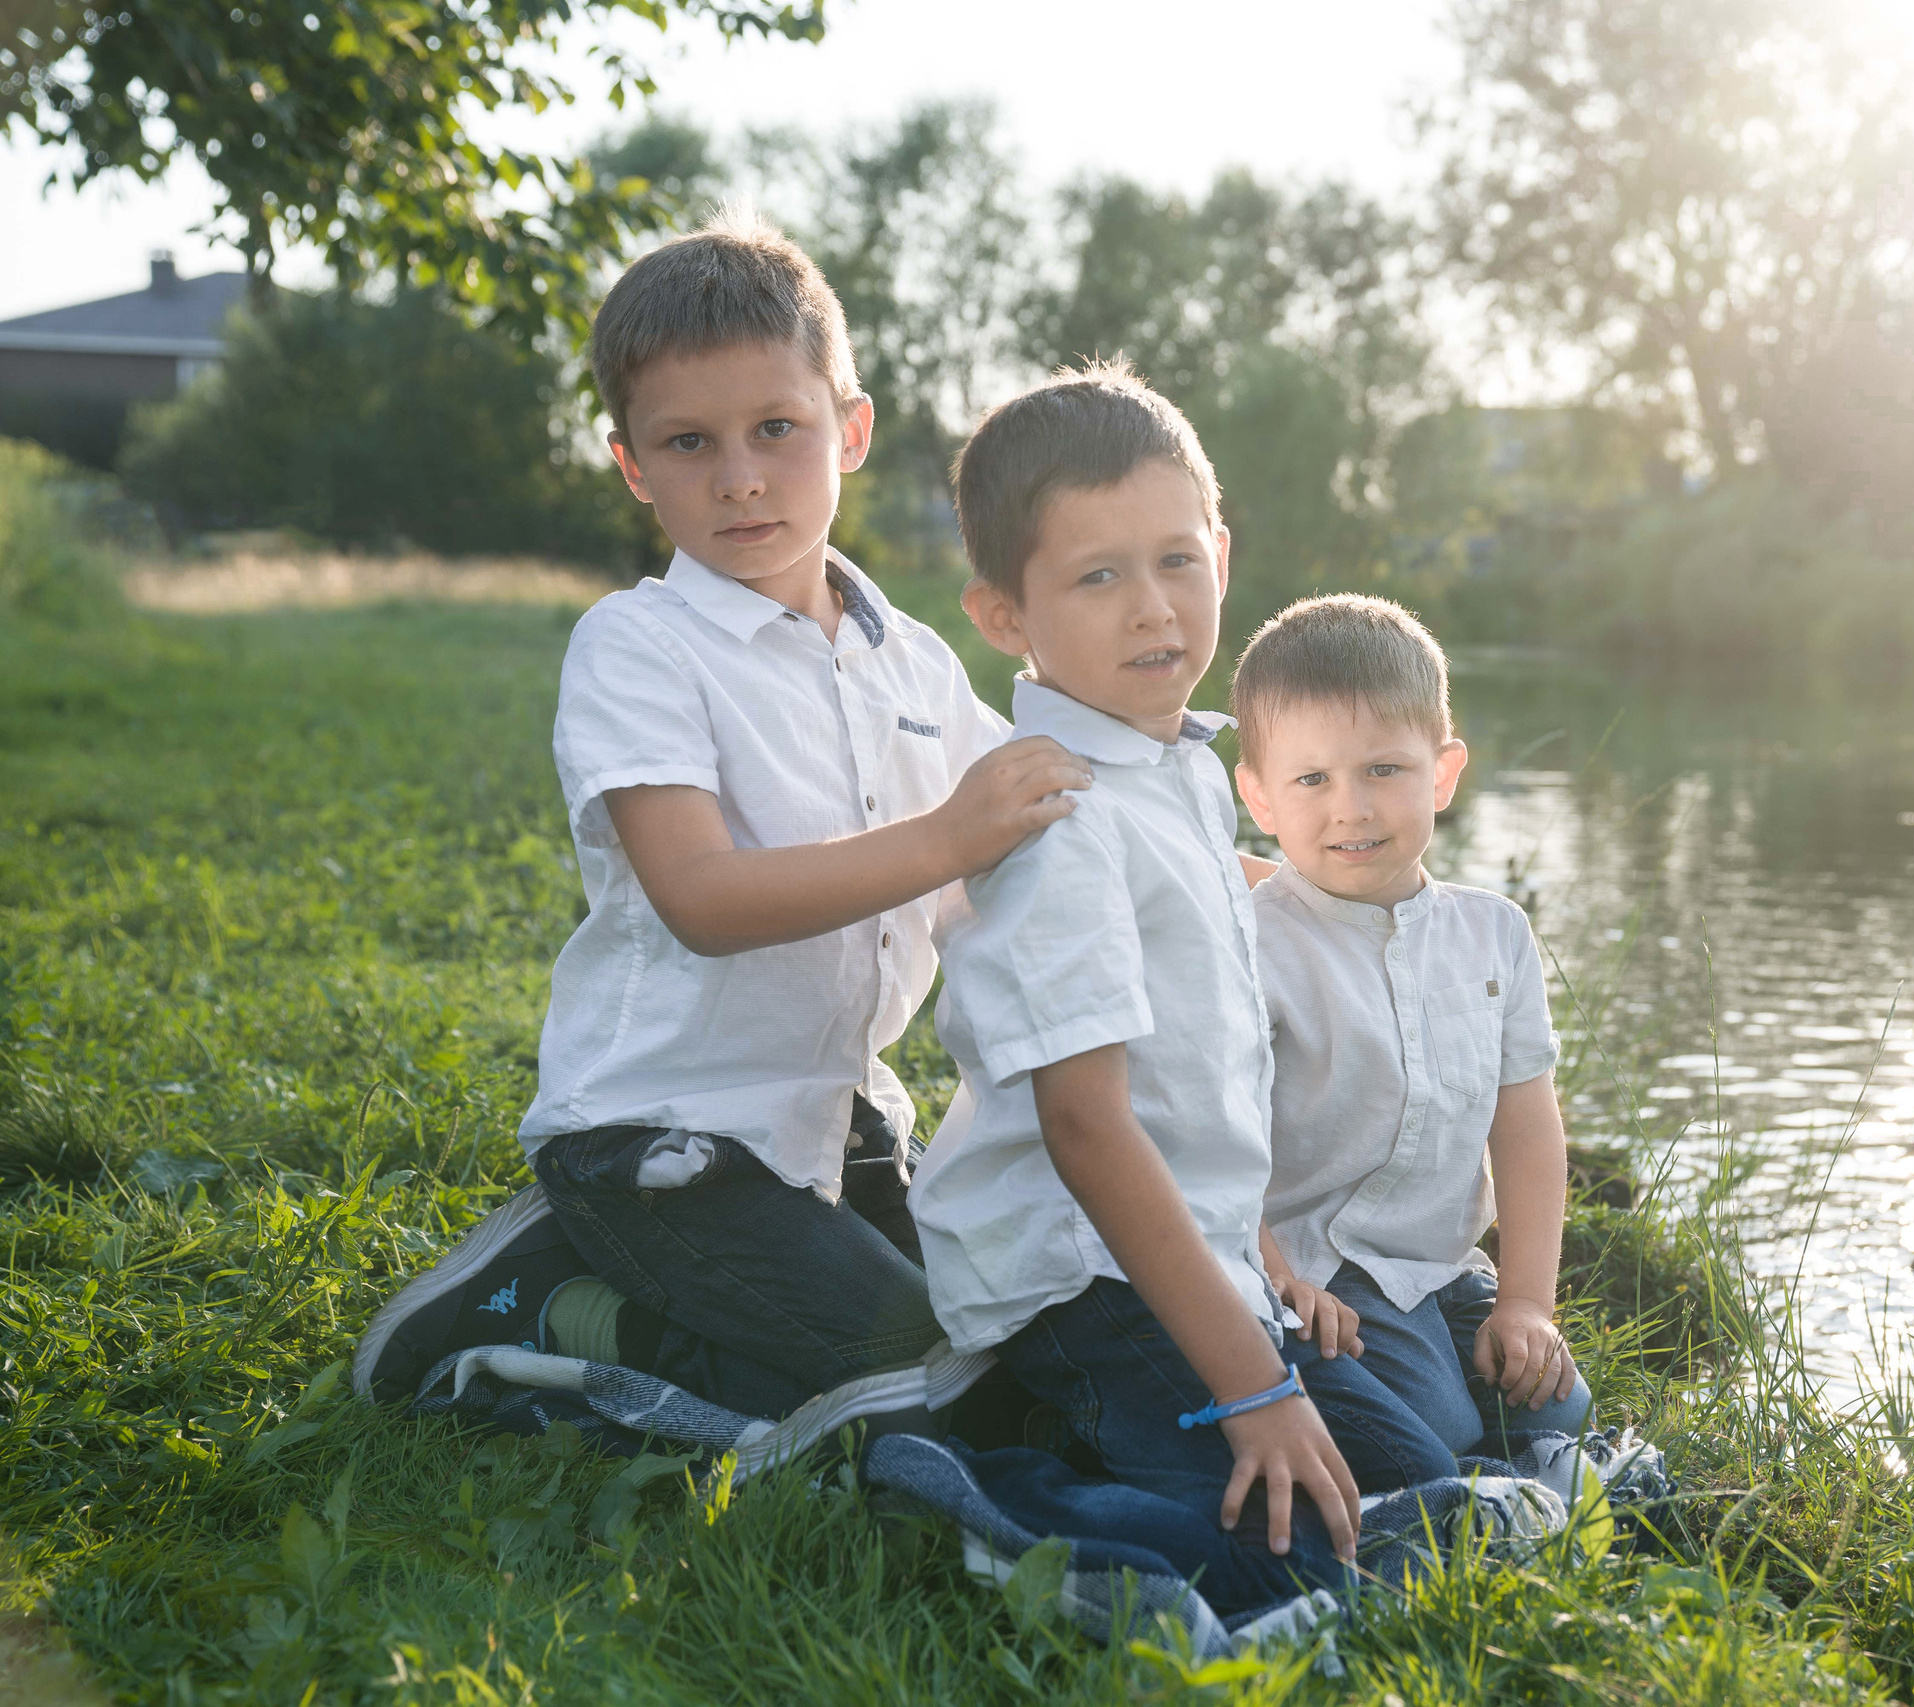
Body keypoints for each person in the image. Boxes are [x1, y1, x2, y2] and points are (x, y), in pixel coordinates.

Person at [353, 212, 1091, 1421]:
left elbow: (1048, 820)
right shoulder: (638, 644)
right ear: (633, 465)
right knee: (930, 1383)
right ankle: (535, 1305)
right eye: (689, 443)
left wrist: (1269, 871)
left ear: (849, 428)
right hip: (658, 1145)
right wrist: (948, 837)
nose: (740, 477)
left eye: (777, 430)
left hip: (839, 1134)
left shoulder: (908, 660)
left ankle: (715, 1289)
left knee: (1019, 1332)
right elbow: (698, 897)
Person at [909, 359, 1464, 1614]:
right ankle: (996, 1490)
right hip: (1078, 1276)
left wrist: (1253, 1258)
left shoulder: (1183, 766)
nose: (1153, 610)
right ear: (1004, 615)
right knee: (1301, 1562)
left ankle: (1134, 1437)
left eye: (1175, 561)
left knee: (1417, 1487)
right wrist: (1252, 1387)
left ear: (1221, 548)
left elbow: (1191, 1034)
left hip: (1204, 1258)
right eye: (1096, 577)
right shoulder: (1060, 815)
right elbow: (1087, 1125)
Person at [1232, 594, 1593, 1458]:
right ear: (1260, 797)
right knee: (1438, 1431)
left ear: (1442, 772)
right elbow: (1212, 1138)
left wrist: (1525, 1302)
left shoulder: (1493, 931)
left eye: (1383, 770)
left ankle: (1482, 1424)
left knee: (1556, 1407)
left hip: (1434, 1265)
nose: (1351, 808)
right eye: (1312, 779)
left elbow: (1526, 1127)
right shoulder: (1250, 939)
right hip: (1309, 1271)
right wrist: (1277, 1276)